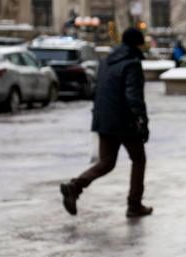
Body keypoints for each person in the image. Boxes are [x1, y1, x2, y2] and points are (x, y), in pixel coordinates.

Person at [60, 28, 153, 217]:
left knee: (107, 162)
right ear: (137, 44)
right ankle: (134, 204)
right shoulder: (132, 64)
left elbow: (97, 90)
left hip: (104, 119)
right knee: (139, 159)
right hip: (124, 121)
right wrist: (142, 121)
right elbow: (133, 97)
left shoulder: (105, 61)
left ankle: (75, 186)